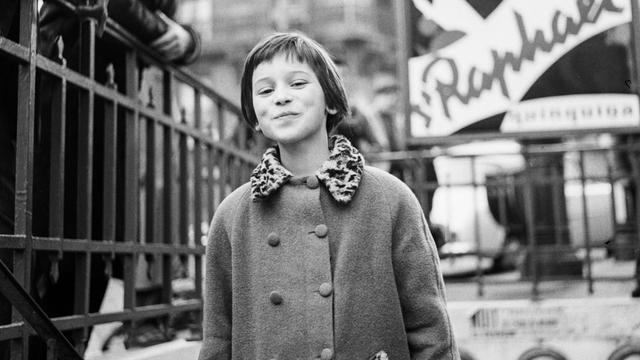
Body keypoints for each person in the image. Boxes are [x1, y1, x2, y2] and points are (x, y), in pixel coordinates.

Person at [199, 32, 459, 360]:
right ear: (255, 117)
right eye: (265, 90)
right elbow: (218, 340)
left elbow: (430, 330)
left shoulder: (390, 199)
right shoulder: (233, 215)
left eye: (297, 84)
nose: (280, 98)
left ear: (331, 100)